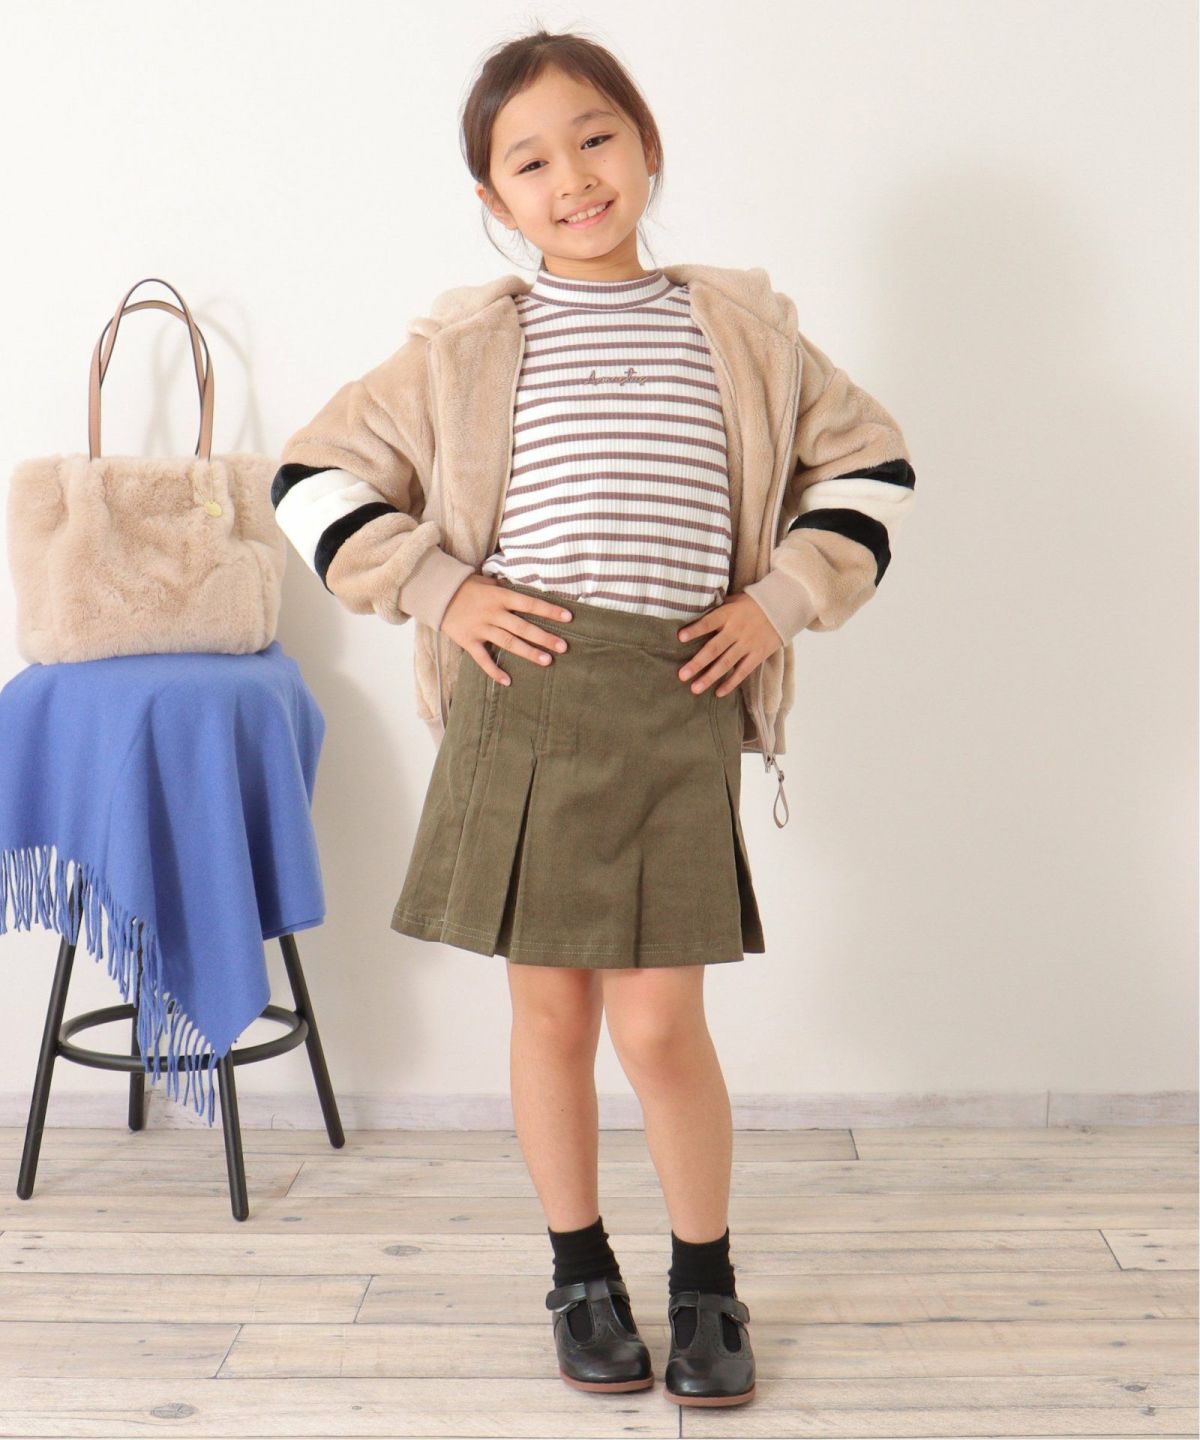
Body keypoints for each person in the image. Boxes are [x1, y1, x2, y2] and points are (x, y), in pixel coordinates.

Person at [270, 26, 916, 1410]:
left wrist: (784, 598)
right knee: (551, 1012)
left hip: (679, 694)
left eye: (596, 137)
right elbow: (312, 477)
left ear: (647, 145)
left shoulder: (743, 329)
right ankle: (578, 1274)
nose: (572, 177)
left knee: (662, 1025)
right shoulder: (464, 346)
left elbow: (874, 464)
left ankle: (706, 1282)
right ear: (494, 200)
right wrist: (442, 589)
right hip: (526, 699)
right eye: (530, 162)